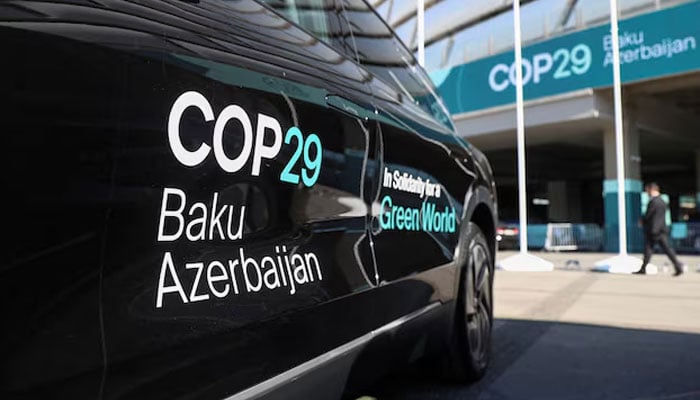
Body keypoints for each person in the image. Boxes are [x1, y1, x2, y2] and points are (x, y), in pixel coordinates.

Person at [634, 182, 683, 276]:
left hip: (654, 230)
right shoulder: (662, 201)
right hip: (661, 229)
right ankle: (677, 267)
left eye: (647, 190)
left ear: (652, 190)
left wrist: (642, 221)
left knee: (652, 249)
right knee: (659, 249)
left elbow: (649, 215)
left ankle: (677, 266)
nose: (647, 192)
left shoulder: (653, 202)